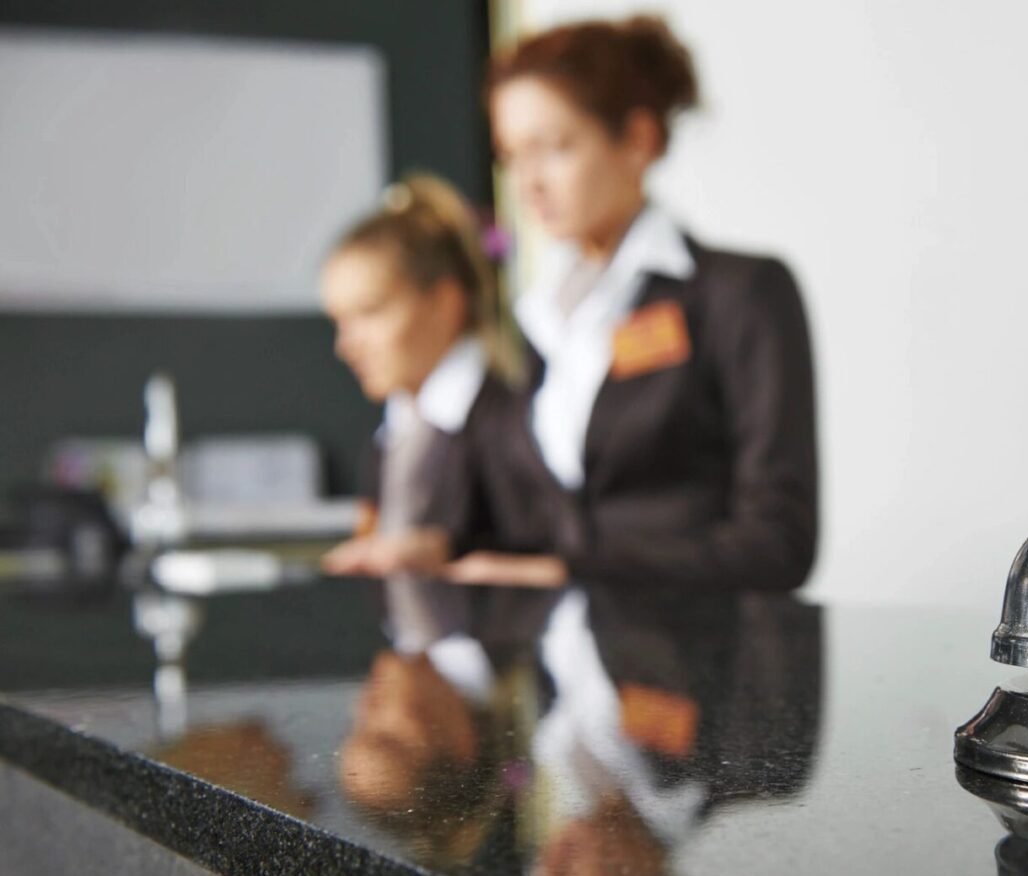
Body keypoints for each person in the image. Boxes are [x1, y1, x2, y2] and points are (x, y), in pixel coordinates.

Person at [442, 14, 818, 591]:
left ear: (637, 141)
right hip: (563, 670)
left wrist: (570, 571)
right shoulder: (536, 321)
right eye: (512, 156)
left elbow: (777, 544)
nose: (527, 183)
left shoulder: (740, 295)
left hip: (704, 668)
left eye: (554, 148)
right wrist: (434, 545)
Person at [319, 173, 525, 577]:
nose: (346, 345)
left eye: (370, 312)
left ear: (444, 304)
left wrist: (449, 557)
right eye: (340, 322)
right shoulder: (391, 438)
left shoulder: (512, 427)